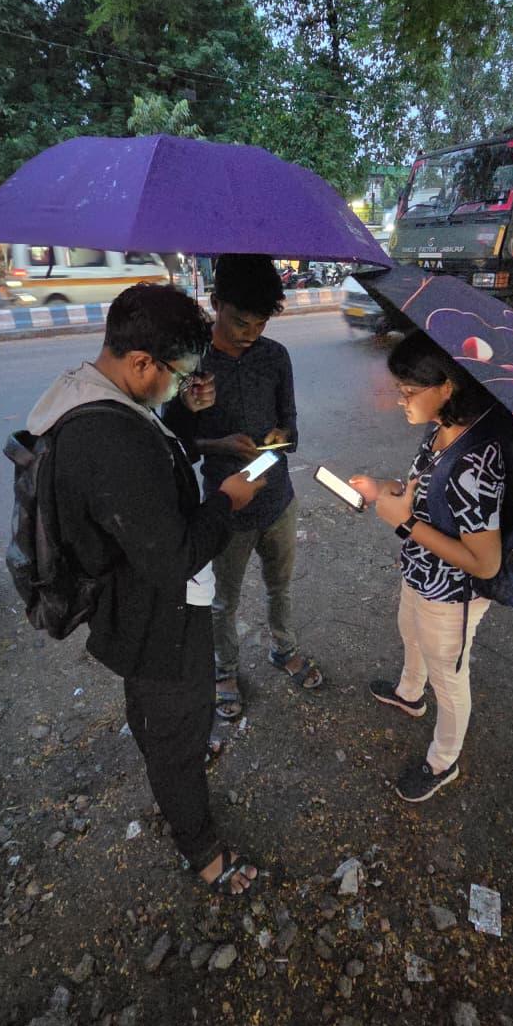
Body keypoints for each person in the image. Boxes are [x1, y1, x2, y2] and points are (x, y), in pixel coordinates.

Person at [24, 283, 264, 895]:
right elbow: (175, 555)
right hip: (153, 619)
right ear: (139, 363)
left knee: (165, 719)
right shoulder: (107, 441)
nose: (183, 385)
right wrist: (227, 499)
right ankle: (204, 851)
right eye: (180, 375)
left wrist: (192, 419)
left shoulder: (96, 396)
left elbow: (151, 466)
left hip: (139, 607)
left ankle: (171, 755)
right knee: (174, 731)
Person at [165, 254, 323, 721]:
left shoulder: (275, 358)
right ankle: (224, 669)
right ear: (215, 303)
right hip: (224, 505)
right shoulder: (190, 364)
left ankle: (283, 647)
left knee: (281, 586)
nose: (250, 332)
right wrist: (214, 437)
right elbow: (174, 445)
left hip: (277, 500)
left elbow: (291, 428)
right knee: (223, 600)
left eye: (260, 322)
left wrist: (281, 438)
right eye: (239, 321)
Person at [349, 330, 505, 803]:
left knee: (450, 676)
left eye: (409, 391)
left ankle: (444, 760)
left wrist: (406, 524)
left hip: (453, 592)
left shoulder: (476, 460)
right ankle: (409, 695)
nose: (400, 400)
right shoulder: (439, 429)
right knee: (408, 630)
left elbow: (486, 560)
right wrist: (383, 488)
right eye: (399, 389)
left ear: (449, 385)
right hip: (421, 571)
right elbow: (421, 488)